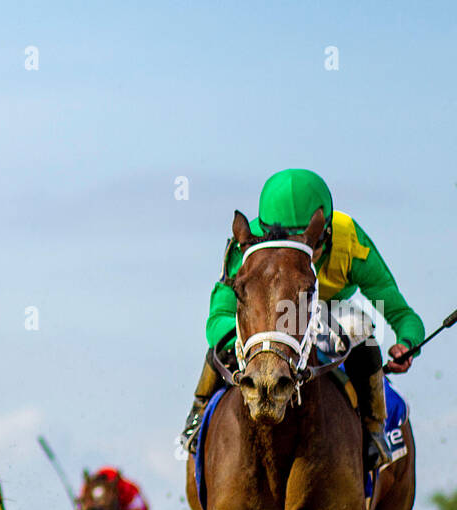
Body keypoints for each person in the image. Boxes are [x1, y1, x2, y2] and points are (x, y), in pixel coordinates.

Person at [180, 168, 424, 470]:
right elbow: (219, 314)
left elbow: (399, 311)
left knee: (360, 326)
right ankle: (199, 411)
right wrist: (237, 339)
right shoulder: (249, 243)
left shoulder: (351, 240)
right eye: (285, 240)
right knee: (233, 338)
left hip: (326, 309)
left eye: (309, 241)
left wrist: (407, 341)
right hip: (277, 314)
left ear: (328, 230)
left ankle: (374, 429)